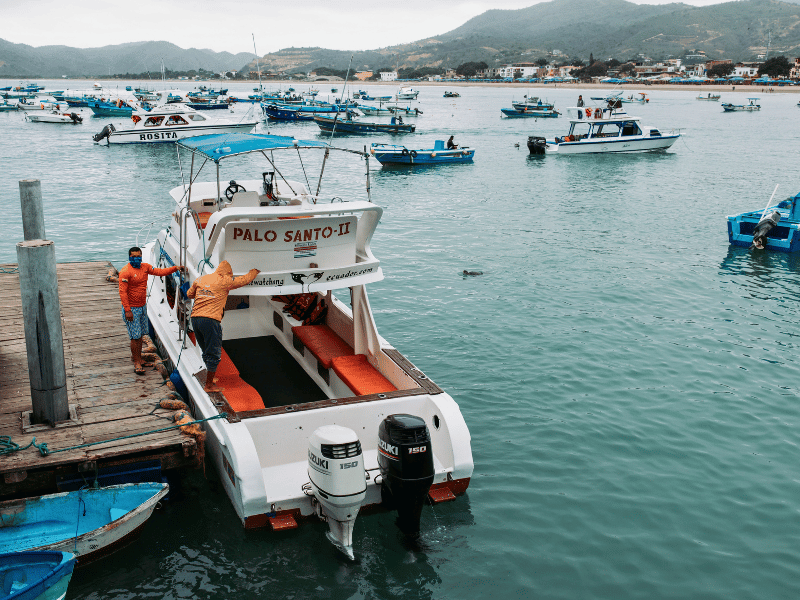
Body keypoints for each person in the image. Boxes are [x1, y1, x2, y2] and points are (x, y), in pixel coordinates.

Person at [186, 261, 260, 393]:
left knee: (205, 348)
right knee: (214, 352)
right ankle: (209, 385)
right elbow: (243, 280)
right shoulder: (225, 281)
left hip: (195, 318)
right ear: (228, 273)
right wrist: (254, 271)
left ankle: (211, 376)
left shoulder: (201, 279)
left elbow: (189, 294)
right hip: (210, 320)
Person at [119, 247, 184, 374]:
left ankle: (138, 358)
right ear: (129, 257)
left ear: (141, 256)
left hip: (142, 307)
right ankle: (137, 362)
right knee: (135, 337)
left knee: (141, 335)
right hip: (131, 309)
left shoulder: (145, 267)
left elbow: (160, 272)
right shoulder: (125, 272)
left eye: (138, 256)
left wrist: (175, 268)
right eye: (133, 257)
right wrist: (127, 310)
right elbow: (122, 292)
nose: (136, 259)